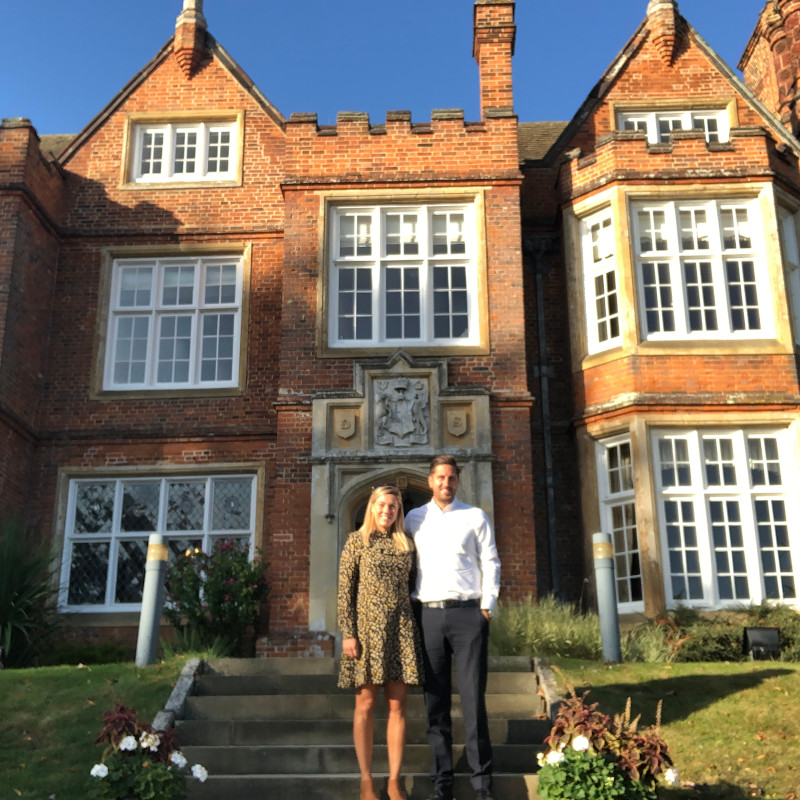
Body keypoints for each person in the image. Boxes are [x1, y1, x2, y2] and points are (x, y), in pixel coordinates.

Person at [405, 455, 501, 800]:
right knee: (436, 702)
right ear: (430, 481)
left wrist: (487, 606)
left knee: (474, 699)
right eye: (440, 478)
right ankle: (442, 781)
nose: (446, 484)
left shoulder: (474, 516)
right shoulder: (413, 519)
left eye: (452, 478)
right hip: (428, 616)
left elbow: (491, 560)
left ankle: (482, 782)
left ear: (458, 481)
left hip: (468, 616)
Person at [338, 484, 424, 800]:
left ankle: (393, 780)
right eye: (382, 505)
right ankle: (365, 781)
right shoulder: (355, 542)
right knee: (365, 704)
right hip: (366, 631)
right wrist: (348, 632)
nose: (387, 511)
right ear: (372, 507)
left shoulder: (406, 545)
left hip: (400, 630)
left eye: (393, 507)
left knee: (397, 706)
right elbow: (345, 591)